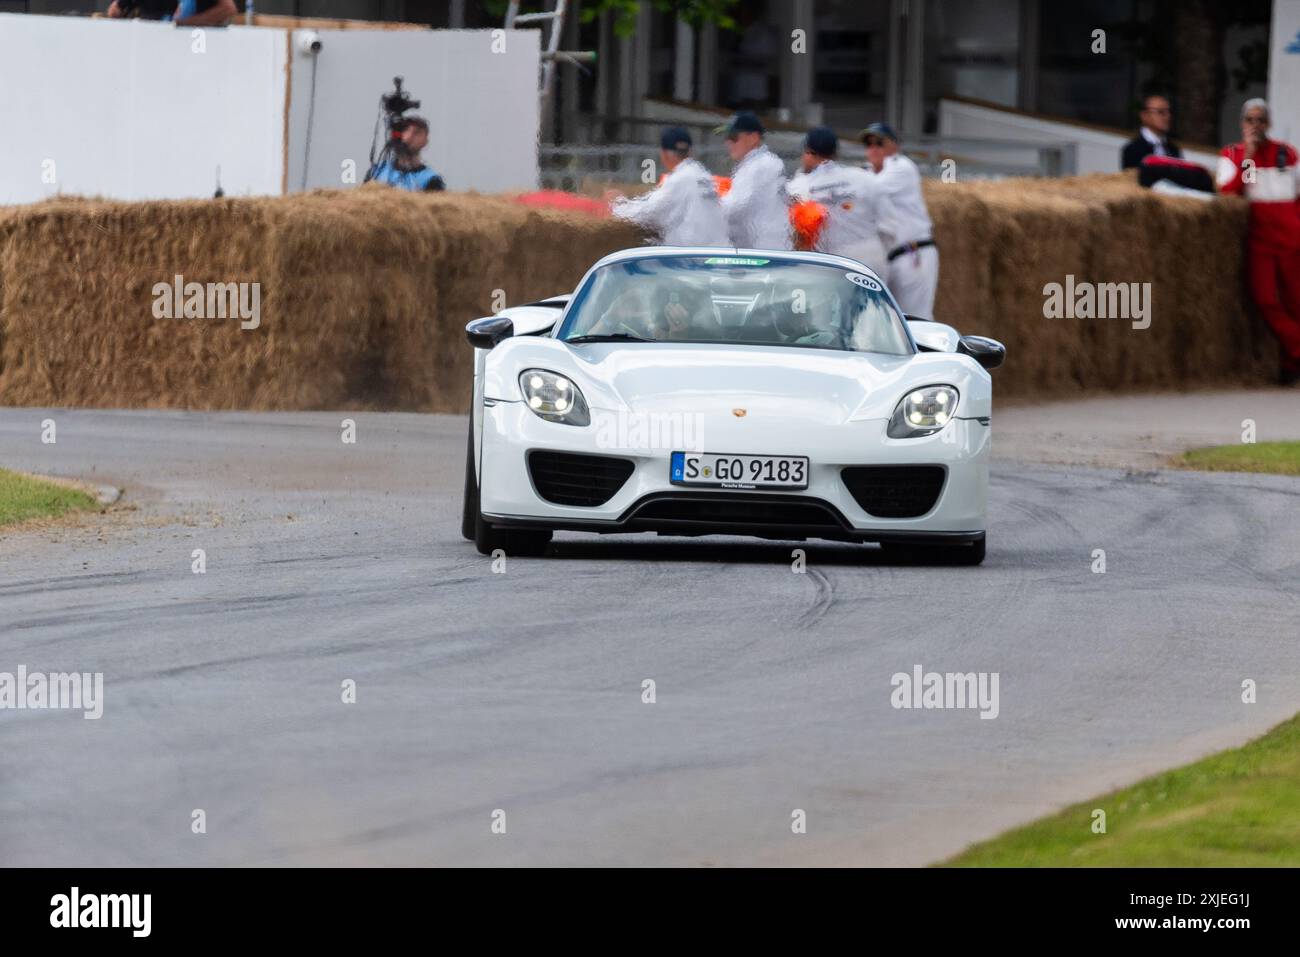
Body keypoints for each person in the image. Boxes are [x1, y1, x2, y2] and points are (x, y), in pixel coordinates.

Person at [1217, 98, 1300, 385]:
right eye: (1250, 120)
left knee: (1295, 304)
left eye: (1260, 120)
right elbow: (1229, 192)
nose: (1256, 125)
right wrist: (1248, 157)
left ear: (1269, 123)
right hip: (1260, 241)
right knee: (1265, 299)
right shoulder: (1231, 154)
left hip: (1291, 240)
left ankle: (1290, 367)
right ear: (1242, 124)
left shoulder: (1288, 154)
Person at [860, 121, 939, 318]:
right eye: (869, 144)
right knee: (889, 323)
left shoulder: (902, 166)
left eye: (879, 143)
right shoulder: (867, 172)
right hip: (890, 258)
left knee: (916, 320)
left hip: (913, 253)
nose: (874, 149)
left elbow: (868, 192)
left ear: (894, 146)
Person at [785, 126, 887, 276]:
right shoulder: (863, 177)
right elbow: (885, 217)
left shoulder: (799, 187)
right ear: (835, 153)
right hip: (873, 256)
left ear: (808, 152)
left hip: (837, 262)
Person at [606, 127, 729, 246]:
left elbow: (648, 212)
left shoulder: (680, 178)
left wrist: (617, 204)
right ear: (691, 152)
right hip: (716, 250)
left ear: (664, 154)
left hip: (695, 256)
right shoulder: (703, 174)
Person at [717, 111, 791, 250]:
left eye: (733, 137)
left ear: (753, 138)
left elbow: (733, 207)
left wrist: (704, 209)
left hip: (764, 252)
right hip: (760, 249)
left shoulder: (761, 165)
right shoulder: (755, 164)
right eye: (726, 138)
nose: (728, 142)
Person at [366, 118, 446, 192]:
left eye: (417, 133)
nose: (409, 136)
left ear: (425, 141)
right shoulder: (377, 171)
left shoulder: (430, 179)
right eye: (405, 130)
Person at [1121, 94, 1183, 170]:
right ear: (1144, 116)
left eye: (1169, 111)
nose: (1168, 116)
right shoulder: (1133, 149)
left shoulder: (1173, 149)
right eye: (1161, 111)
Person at [107, 0, 237, 25]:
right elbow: (114, 11)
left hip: (195, 44)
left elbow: (228, 9)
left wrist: (185, 23)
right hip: (150, 46)